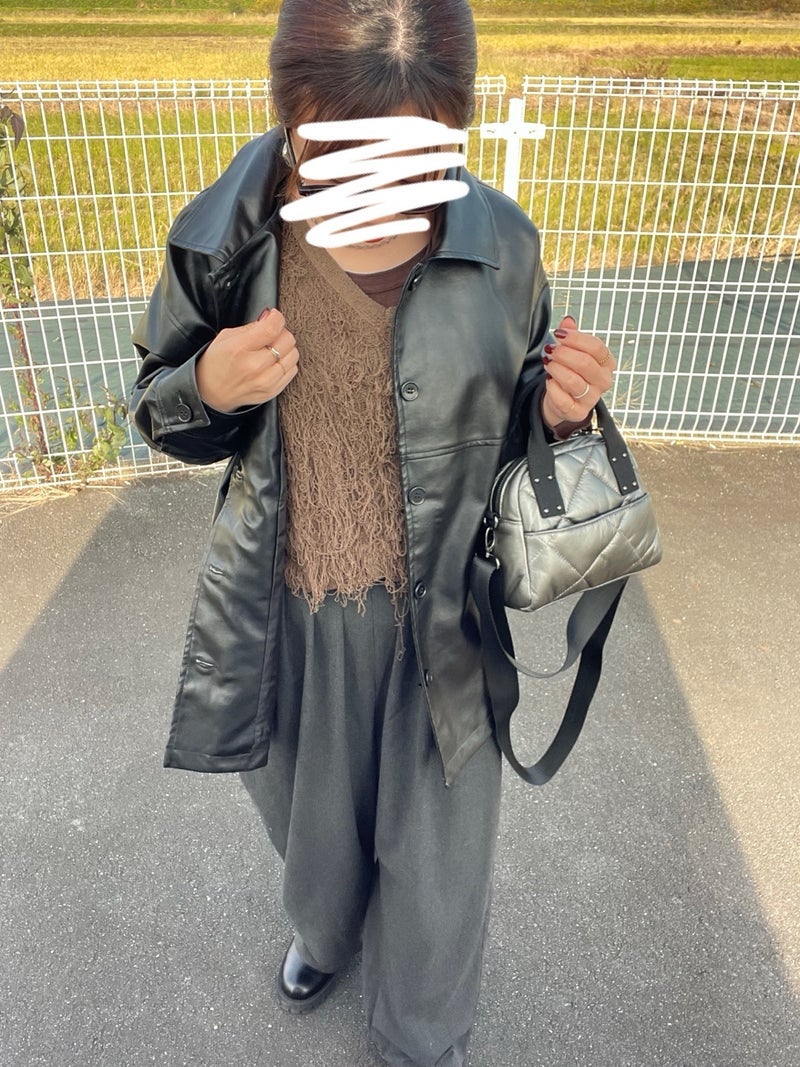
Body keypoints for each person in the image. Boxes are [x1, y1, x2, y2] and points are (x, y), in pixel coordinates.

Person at [130, 1, 616, 1064]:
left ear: (453, 128)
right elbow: (155, 403)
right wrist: (207, 382)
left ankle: (420, 1035)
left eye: (410, 161)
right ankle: (325, 934)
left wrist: (561, 417)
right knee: (308, 831)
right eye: (336, 156)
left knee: (438, 862)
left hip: (445, 617)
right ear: (292, 119)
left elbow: (522, 428)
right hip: (286, 614)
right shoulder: (230, 238)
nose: (373, 191)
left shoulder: (503, 248)